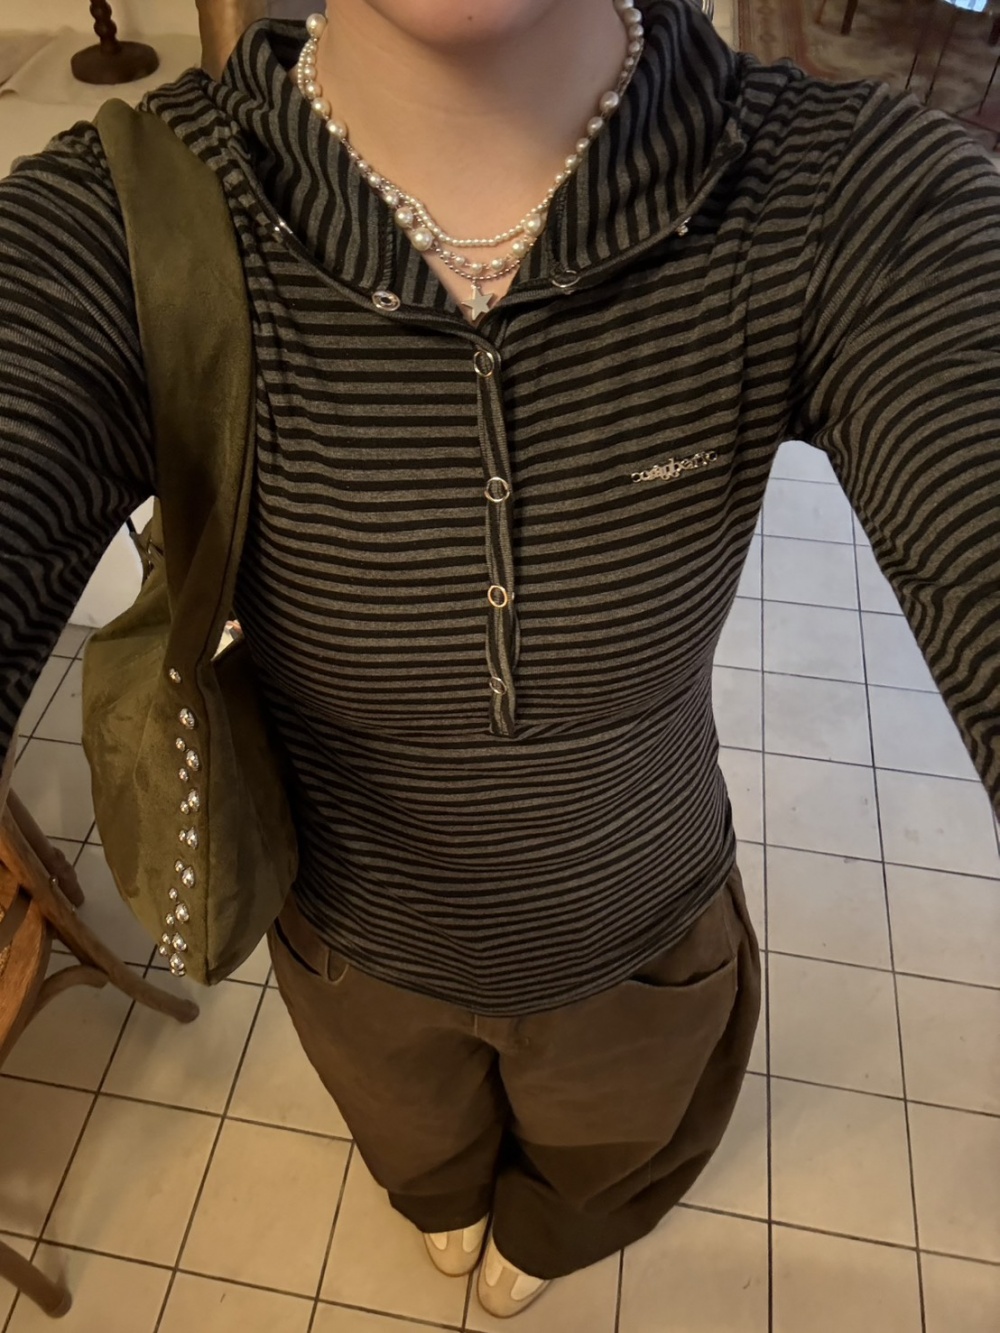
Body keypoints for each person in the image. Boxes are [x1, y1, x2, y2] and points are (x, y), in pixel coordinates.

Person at [1, 0, 998, 1318]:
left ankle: (551, 1227)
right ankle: (450, 1201)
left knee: (602, 1157)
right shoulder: (117, 227)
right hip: (352, 950)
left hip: (642, 937)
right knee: (419, 1151)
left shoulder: (840, 193)